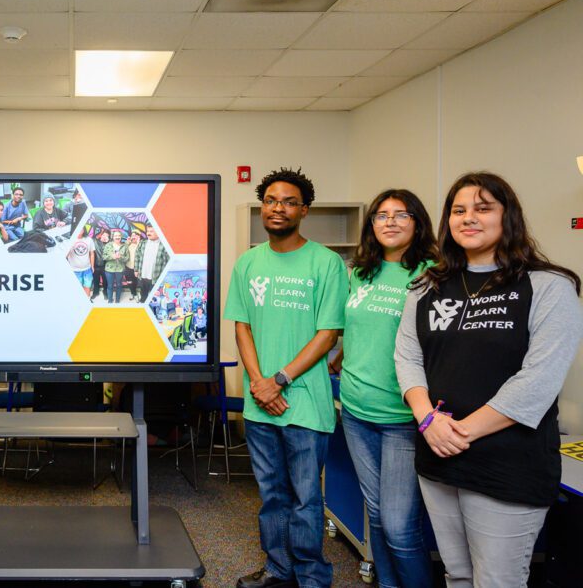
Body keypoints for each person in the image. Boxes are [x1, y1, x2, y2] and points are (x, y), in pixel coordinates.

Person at [395, 172, 583, 588]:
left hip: (506, 462)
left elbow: (538, 379)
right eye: (459, 210)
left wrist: (457, 432)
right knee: (457, 574)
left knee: (497, 580)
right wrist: (428, 420)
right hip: (437, 458)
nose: (469, 218)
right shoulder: (426, 287)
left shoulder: (549, 286)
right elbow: (407, 357)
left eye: (483, 208)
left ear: (507, 216)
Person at [224, 167, 347, 588]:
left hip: (305, 404)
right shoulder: (248, 262)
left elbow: (328, 332)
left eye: (289, 202)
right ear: (263, 207)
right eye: (272, 201)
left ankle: (313, 577)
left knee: (305, 499)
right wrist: (259, 382)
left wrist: (278, 379)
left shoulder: (327, 263)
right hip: (260, 405)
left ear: (304, 210)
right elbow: (242, 327)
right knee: (271, 496)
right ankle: (279, 571)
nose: (279, 208)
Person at [334, 189, 437, 588]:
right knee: (376, 513)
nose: (390, 222)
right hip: (357, 408)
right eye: (381, 215)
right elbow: (357, 329)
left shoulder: (432, 273)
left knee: (399, 526)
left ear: (417, 222)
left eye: (401, 214)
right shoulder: (361, 270)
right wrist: (342, 355)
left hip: (402, 416)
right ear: (371, 224)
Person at [135, 225, 169, 303]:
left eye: (151, 231)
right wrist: (136, 270)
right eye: (148, 231)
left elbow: (167, 261)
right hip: (143, 275)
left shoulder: (164, 245)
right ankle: (142, 303)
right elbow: (137, 256)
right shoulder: (143, 243)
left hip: (156, 276)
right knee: (143, 292)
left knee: (155, 295)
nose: (148, 233)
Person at [102, 228, 130, 303]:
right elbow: (104, 257)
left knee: (119, 285)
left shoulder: (125, 246)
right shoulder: (108, 245)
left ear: (121, 237)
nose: (117, 237)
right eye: (115, 236)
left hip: (120, 270)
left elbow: (127, 258)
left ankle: (117, 300)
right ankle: (110, 300)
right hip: (109, 270)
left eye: (119, 235)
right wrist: (112, 257)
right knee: (110, 286)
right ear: (113, 237)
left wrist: (120, 257)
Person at [66, 228, 95, 296]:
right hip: (74, 270)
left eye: (81, 228)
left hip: (87, 269)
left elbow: (92, 254)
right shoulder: (69, 240)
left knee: (87, 287)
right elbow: (65, 256)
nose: (79, 230)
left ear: (84, 230)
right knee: (76, 289)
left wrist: (92, 266)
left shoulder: (89, 239)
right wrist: (70, 246)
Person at [90, 229, 110, 302]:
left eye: (107, 236)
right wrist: (101, 233)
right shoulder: (95, 241)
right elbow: (93, 238)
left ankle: (105, 293)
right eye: (103, 235)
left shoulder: (109, 244)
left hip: (105, 267)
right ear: (101, 235)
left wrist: (108, 241)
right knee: (96, 281)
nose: (105, 237)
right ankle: (95, 292)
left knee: (105, 281)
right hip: (96, 266)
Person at [124, 231, 141, 301]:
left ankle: (135, 294)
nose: (133, 237)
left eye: (135, 235)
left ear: (138, 237)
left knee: (135, 281)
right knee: (129, 281)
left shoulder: (140, 245)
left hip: (136, 268)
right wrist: (127, 243)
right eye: (132, 235)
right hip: (128, 267)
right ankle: (133, 293)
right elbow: (122, 250)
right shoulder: (128, 244)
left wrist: (138, 242)